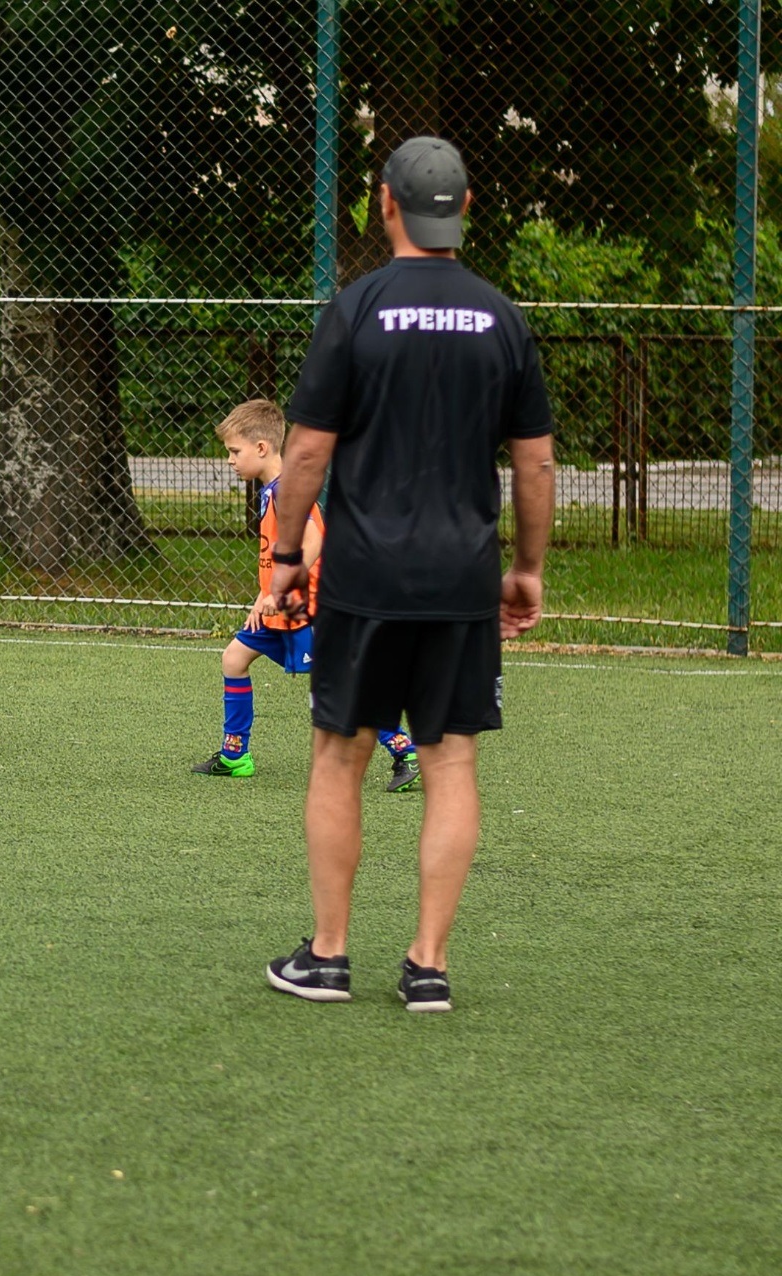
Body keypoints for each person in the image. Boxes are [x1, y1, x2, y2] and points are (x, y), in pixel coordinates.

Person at [262, 137, 554, 1014]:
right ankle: (428, 965)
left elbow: (305, 452)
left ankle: (328, 956)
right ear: (465, 208)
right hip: (462, 580)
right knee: (450, 758)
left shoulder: (356, 308)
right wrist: (526, 568)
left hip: (364, 578)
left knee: (338, 754)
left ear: (386, 203)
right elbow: (535, 463)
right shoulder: (502, 318)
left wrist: (285, 558)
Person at [190, 398, 420, 791]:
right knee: (234, 658)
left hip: (305, 608)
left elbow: (314, 540)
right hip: (278, 608)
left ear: (261, 448)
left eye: (234, 451)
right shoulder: (272, 491)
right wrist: (262, 597)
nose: (230, 460)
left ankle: (404, 750)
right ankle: (234, 755)